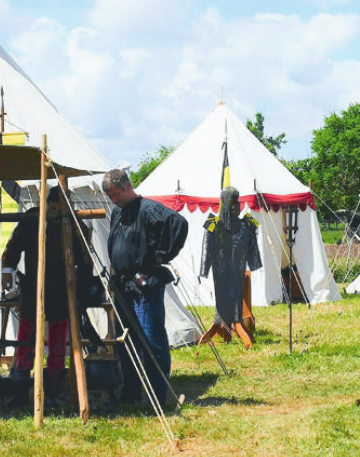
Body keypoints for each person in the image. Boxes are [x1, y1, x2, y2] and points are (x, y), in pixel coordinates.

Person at [103, 168, 188, 404]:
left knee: (152, 340)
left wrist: (158, 256)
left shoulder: (149, 209)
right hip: (122, 285)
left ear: (127, 187)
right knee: (125, 340)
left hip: (144, 284)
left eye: (115, 193)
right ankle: (130, 392)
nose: (114, 199)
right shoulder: (117, 213)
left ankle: (157, 395)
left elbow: (178, 224)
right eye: (110, 195)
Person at [2, 185, 88, 404]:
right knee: (26, 340)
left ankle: (54, 389)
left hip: (61, 290)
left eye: (60, 208)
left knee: (58, 343)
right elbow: (14, 247)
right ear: (48, 204)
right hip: (33, 288)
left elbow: (83, 257)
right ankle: (20, 389)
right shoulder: (32, 219)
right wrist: (7, 270)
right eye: (53, 207)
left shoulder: (74, 223)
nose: (55, 211)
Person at [200, 186, 262, 332]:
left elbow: (252, 245)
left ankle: (236, 323)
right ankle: (221, 323)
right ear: (228, 204)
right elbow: (206, 249)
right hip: (220, 270)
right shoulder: (213, 223)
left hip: (237, 269)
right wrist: (204, 269)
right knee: (222, 300)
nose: (239, 206)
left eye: (239, 202)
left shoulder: (247, 223)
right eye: (235, 203)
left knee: (236, 300)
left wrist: (254, 262)